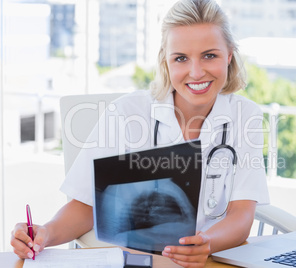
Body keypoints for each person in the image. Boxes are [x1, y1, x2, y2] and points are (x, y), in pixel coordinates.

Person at [10, 0, 270, 267]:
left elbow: (241, 216)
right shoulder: (126, 113)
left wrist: (206, 243)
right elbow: (85, 205)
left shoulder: (244, 115)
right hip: (136, 261)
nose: (196, 72)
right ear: (166, 62)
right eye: (181, 58)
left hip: (207, 261)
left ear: (229, 55)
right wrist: (44, 234)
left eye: (209, 55)